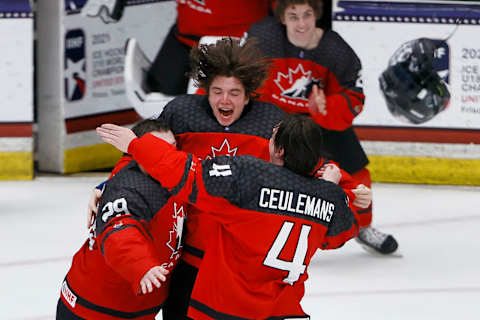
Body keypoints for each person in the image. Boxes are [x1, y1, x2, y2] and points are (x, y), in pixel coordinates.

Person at [89, 38, 372, 319]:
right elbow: (144, 155)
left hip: (239, 269)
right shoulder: (182, 113)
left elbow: (307, 161)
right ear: (205, 92)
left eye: (234, 93)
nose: (225, 100)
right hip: (188, 259)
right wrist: (108, 187)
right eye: (217, 91)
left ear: (248, 95)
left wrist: (348, 187)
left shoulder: (270, 122)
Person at [97, 113, 359, 319]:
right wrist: (331, 189)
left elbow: (185, 174)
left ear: (279, 150)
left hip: (225, 310)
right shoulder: (329, 197)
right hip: (284, 311)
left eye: (273, 136)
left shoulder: (250, 177)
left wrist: (135, 144)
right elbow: (341, 235)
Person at [247, 0, 398, 254]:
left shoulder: (335, 50)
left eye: (307, 15)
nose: (301, 23)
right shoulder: (263, 38)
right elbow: (239, 76)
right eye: (293, 16)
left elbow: (355, 97)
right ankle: (256, 225)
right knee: (255, 168)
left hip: (322, 122)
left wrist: (327, 107)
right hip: (272, 118)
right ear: (282, 18)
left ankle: (362, 226)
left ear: (316, 15)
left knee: (357, 172)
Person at [57, 119, 185, 320]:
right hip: (96, 308)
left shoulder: (174, 174)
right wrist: (141, 265)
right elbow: (121, 233)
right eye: (155, 149)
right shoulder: (130, 190)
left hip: (134, 304)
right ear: (138, 154)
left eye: (172, 148)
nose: (166, 156)